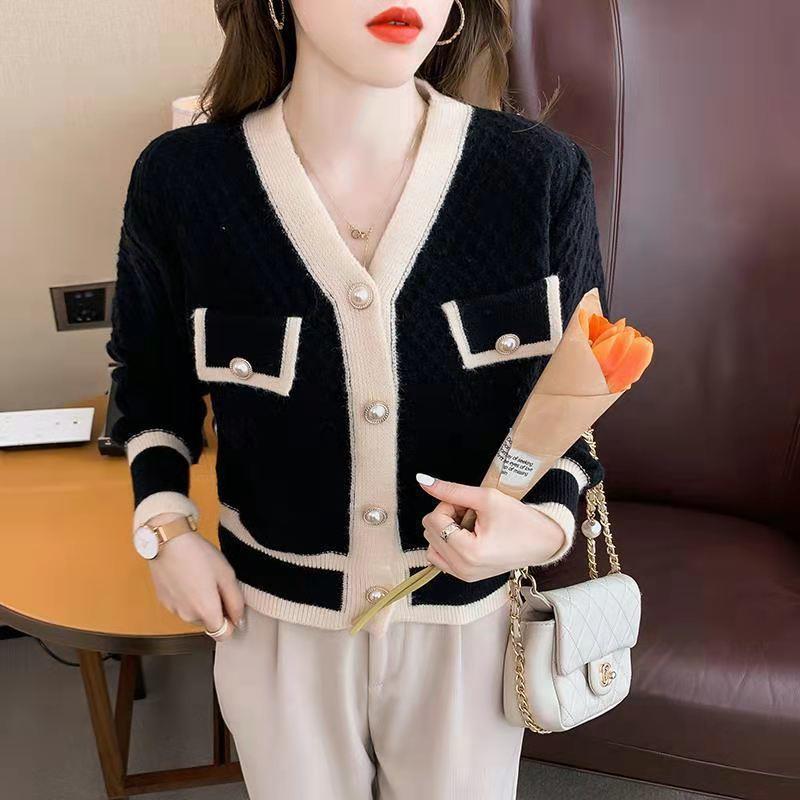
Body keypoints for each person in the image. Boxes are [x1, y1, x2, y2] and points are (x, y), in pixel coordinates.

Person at [105, 1, 608, 797]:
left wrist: (544, 526)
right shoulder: (183, 181)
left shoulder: (539, 175)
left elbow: (579, 398)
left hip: (468, 631)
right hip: (274, 625)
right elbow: (148, 384)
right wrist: (164, 531)